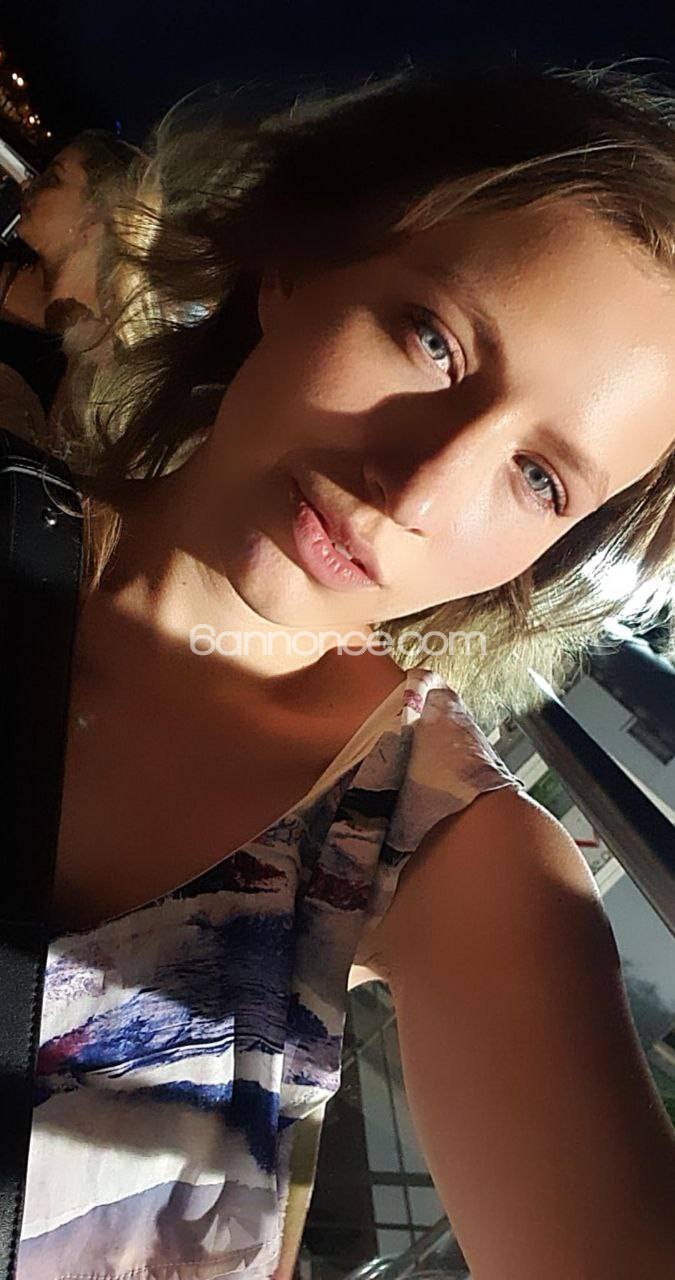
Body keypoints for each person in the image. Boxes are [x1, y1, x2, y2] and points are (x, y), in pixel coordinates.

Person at [13, 60, 675, 1280]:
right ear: (297, 265)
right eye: (433, 340)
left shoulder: (443, 845)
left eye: (539, 478)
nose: (417, 490)